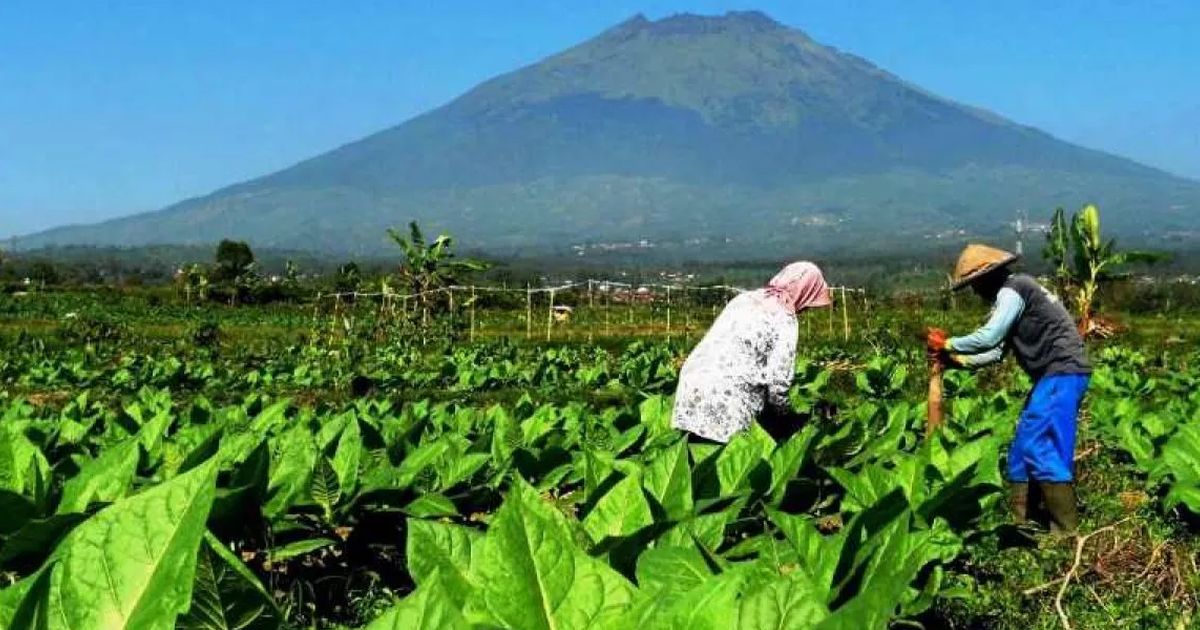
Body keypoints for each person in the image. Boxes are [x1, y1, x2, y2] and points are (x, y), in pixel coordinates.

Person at [927, 244, 1091, 534]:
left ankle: (1065, 532)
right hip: (1053, 376)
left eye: (974, 285)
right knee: (1021, 450)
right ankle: (1022, 523)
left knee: (1040, 445)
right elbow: (996, 352)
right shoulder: (1013, 296)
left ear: (986, 277)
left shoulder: (1013, 290)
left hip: (1061, 372)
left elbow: (989, 337)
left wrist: (948, 344)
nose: (975, 292)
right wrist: (957, 361)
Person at [672, 261, 832, 443]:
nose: (806, 309)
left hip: (692, 383)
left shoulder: (744, 299)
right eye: (810, 303)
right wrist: (786, 418)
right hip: (729, 396)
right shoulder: (784, 317)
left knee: (696, 456)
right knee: (728, 460)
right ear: (805, 292)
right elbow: (779, 381)